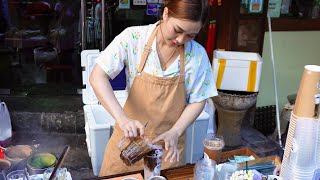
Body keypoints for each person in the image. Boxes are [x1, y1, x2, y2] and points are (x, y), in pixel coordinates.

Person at [90, 0, 218, 176]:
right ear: (165, 14)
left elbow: (199, 99)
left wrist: (176, 131)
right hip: (128, 145)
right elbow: (97, 76)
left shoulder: (197, 55)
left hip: (167, 148)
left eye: (191, 35)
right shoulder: (134, 39)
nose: (180, 40)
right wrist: (122, 118)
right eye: (178, 30)